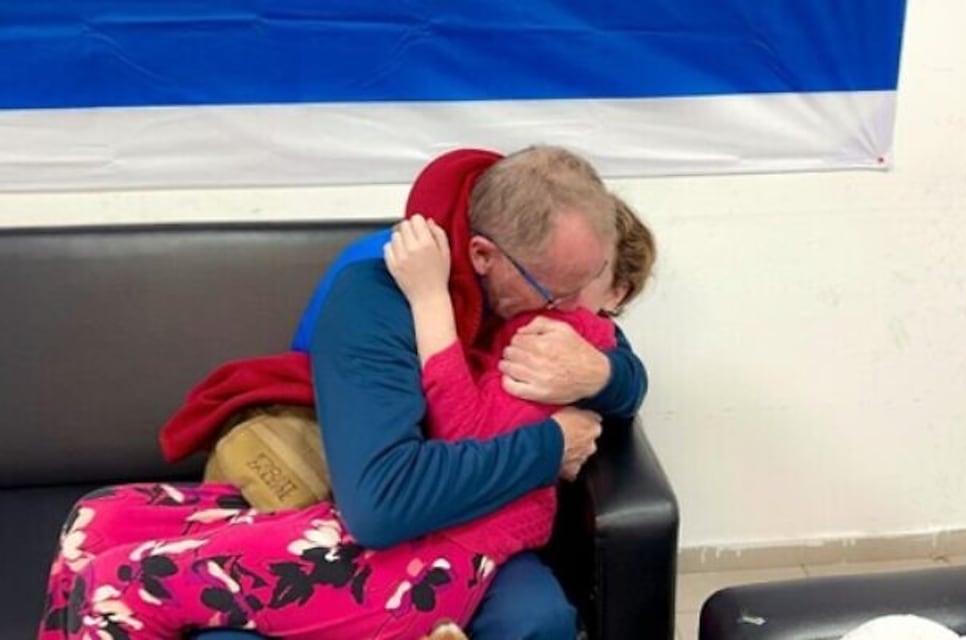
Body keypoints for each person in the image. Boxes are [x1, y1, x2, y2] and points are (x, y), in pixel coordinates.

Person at [38, 146, 649, 640]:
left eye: (585, 286)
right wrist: (550, 444)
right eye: (556, 290)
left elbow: (620, 364)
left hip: (443, 539)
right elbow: (384, 500)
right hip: (362, 502)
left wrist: (602, 375)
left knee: (116, 585)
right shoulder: (379, 300)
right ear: (484, 256)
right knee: (98, 516)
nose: (568, 309)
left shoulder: (546, 302)